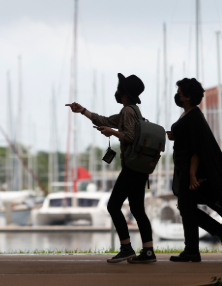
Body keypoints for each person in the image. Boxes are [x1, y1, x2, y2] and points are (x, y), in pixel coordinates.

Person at [66, 73, 155, 264]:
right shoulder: (133, 110)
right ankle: (148, 251)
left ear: (124, 92)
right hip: (140, 168)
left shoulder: (128, 112)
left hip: (132, 167)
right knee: (138, 209)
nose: (116, 90)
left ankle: (126, 248)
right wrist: (83, 111)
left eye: (118, 87)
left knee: (113, 205)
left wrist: (112, 133)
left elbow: (130, 136)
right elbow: (104, 119)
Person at [167, 78, 222, 262]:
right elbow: (189, 139)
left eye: (180, 93)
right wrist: (176, 136)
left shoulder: (195, 116)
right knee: (186, 207)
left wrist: (191, 174)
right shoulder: (189, 115)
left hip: (189, 170)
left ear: (188, 97)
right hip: (183, 168)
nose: (177, 95)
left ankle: (195, 248)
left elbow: (198, 149)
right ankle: (216, 237)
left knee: (185, 207)